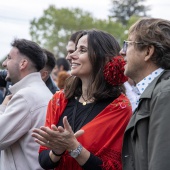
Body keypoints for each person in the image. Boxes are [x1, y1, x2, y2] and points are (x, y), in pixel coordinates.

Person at [32, 29, 132, 170]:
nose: (71, 56)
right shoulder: (59, 100)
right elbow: (44, 161)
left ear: (102, 58)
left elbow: (112, 167)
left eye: (82, 50)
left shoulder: (119, 108)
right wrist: (57, 151)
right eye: (75, 49)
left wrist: (75, 147)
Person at [120, 18, 170, 170]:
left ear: (148, 51)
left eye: (128, 44)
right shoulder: (157, 91)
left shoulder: (164, 94)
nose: (122, 51)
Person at [0, 38, 53, 170]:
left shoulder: (26, 97)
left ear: (23, 63)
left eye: (9, 58)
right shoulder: (42, 92)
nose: (4, 64)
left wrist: (3, 107)